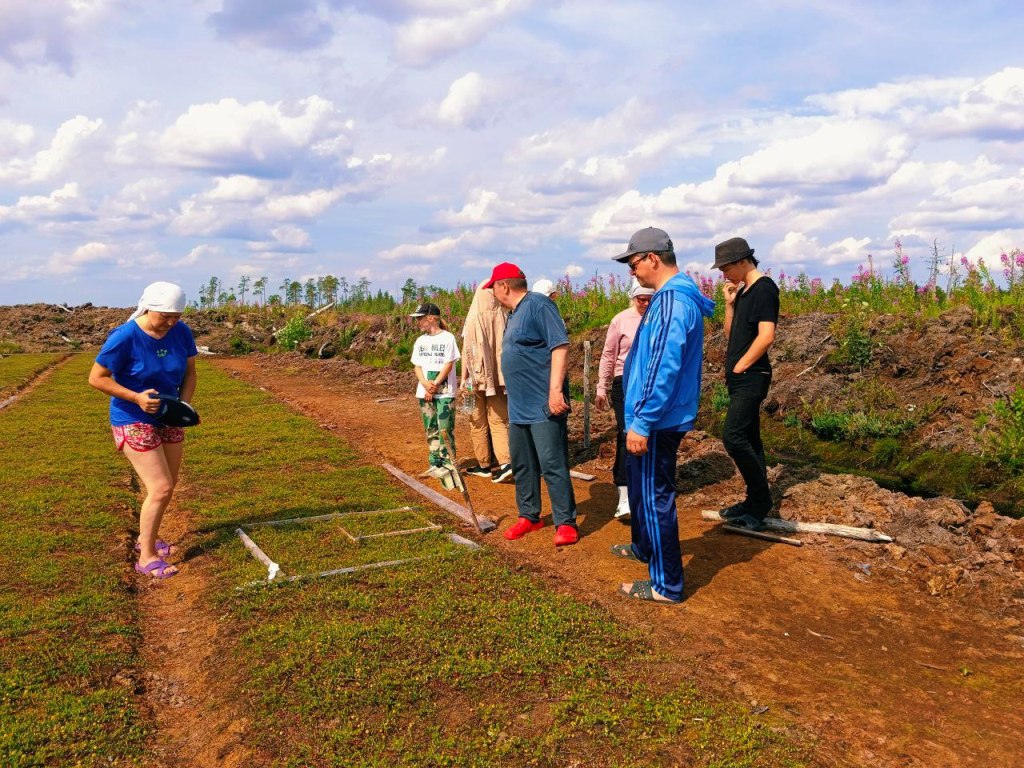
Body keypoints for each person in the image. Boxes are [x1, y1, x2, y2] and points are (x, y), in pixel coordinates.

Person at [611, 227, 715, 603]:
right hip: (654, 416)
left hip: (657, 419)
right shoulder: (668, 298)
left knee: (656, 498)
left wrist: (642, 421)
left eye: (634, 263)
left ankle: (667, 586)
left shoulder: (672, 302)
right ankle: (646, 550)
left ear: (652, 258)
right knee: (643, 491)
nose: (632, 271)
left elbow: (662, 368)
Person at [88, 281, 198, 579]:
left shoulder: (181, 331)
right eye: (166, 316)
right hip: (132, 417)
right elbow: (97, 378)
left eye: (177, 315)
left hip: (169, 415)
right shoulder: (124, 337)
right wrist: (136, 397)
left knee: (169, 484)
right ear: (149, 307)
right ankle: (147, 556)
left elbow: (190, 373)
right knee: (160, 487)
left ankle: (145, 538)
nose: (172, 322)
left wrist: (182, 409)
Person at [484, 262, 579, 546]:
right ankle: (530, 516)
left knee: (552, 464)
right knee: (523, 464)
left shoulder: (538, 305)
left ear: (504, 286)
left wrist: (555, 392)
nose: (492, 293)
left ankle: (566, 523)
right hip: (519, 406)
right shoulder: (514, 314)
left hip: (542, 403)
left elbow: (559, 345)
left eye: (493, 288)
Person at [713, 237, 779, 531]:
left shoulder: (765, 289)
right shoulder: (743, 293)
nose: (724, 274)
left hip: (752, 376)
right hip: (740, 377)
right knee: (750, 438)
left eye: (726, 268)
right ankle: (754, 502)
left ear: (743, 261)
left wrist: (741, 365)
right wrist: (729, 304)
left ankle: (761, 501)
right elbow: (732, 334)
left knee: (733, 437)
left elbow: (766, 336)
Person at [595, 279, 655, 520]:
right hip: (624, 382)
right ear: (633, 297)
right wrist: (602, 387)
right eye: (641, 298)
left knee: (649, 434)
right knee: (625, 434)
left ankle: (646, 490)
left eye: (650, 298)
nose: (645, 303)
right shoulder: (621, 320)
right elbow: (608, 355)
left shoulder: (658, 317)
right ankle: (624, 496)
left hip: (649, 384)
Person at [459, 283, 513, 483]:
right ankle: (506, 462)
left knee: (477, 421)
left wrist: (463, 378)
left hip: (475, 378)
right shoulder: (504, 316)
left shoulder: (472, 319)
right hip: (499, 378)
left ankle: (484, 465)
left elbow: (467, 352)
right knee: (499, 421)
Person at [409, 302, 461, 475]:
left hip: (445, 392)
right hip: (424, 391)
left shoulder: (447, 338)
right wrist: (425, 384)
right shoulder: (420, 340)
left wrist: (435, 385)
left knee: (445, 428)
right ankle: (435, 462)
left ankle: (448, 463)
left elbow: (448, 364)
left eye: (420, 318)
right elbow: (417, 366)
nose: (417, 322)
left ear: (431, 318)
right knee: (430, 427)